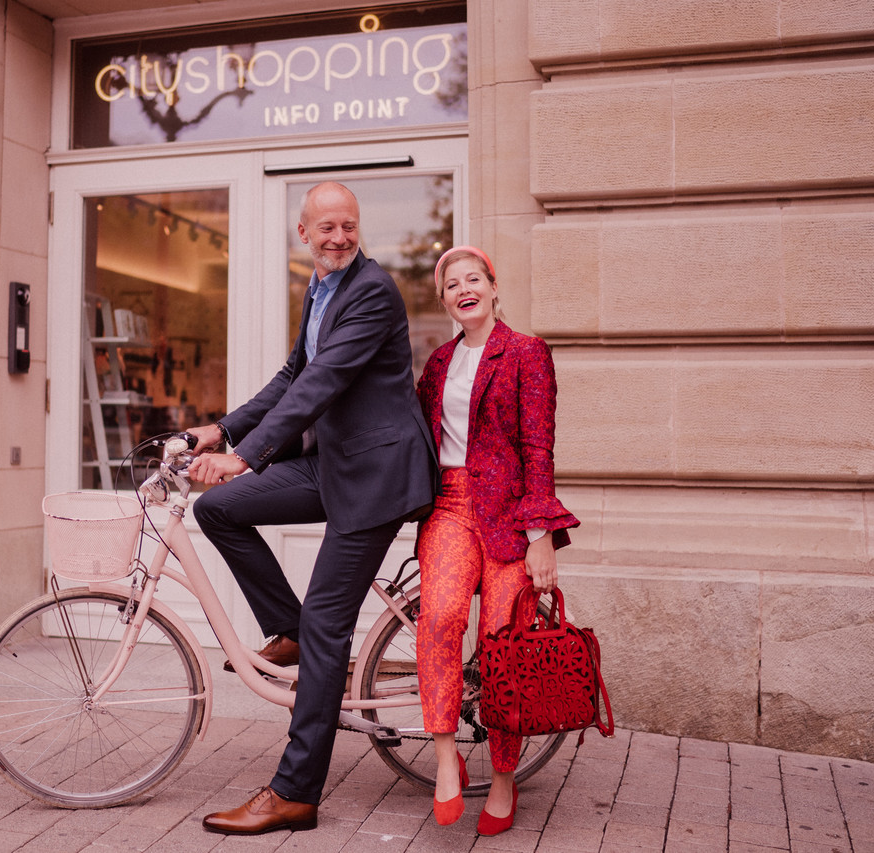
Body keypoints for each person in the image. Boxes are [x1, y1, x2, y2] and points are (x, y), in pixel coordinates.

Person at [184, 181, 437, 835]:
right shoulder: (319, 287)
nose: (338, 236)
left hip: (375, 477)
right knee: (220, 510)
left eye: (348, 225)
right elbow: (296, 372)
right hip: (333, 463)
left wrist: (250, 453)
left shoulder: (372, 290)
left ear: (358, 228)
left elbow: (324, 384)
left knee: (330, 624)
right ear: (305, 233)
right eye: (326, 227)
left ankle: (295, 793)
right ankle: (288, 627)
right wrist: (225, 430)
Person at [414, 245, 579, 836]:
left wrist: (540, 535)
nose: (464, 289)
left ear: (492, 285)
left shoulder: (527, 352)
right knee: (436, 618)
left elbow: (539, 447)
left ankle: (504, 776)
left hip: (512, 514)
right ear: (444, 301)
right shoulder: (437, 364)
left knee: (502, 644)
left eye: (473, 279)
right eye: (451, 284)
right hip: (451, 507)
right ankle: (444, 760)